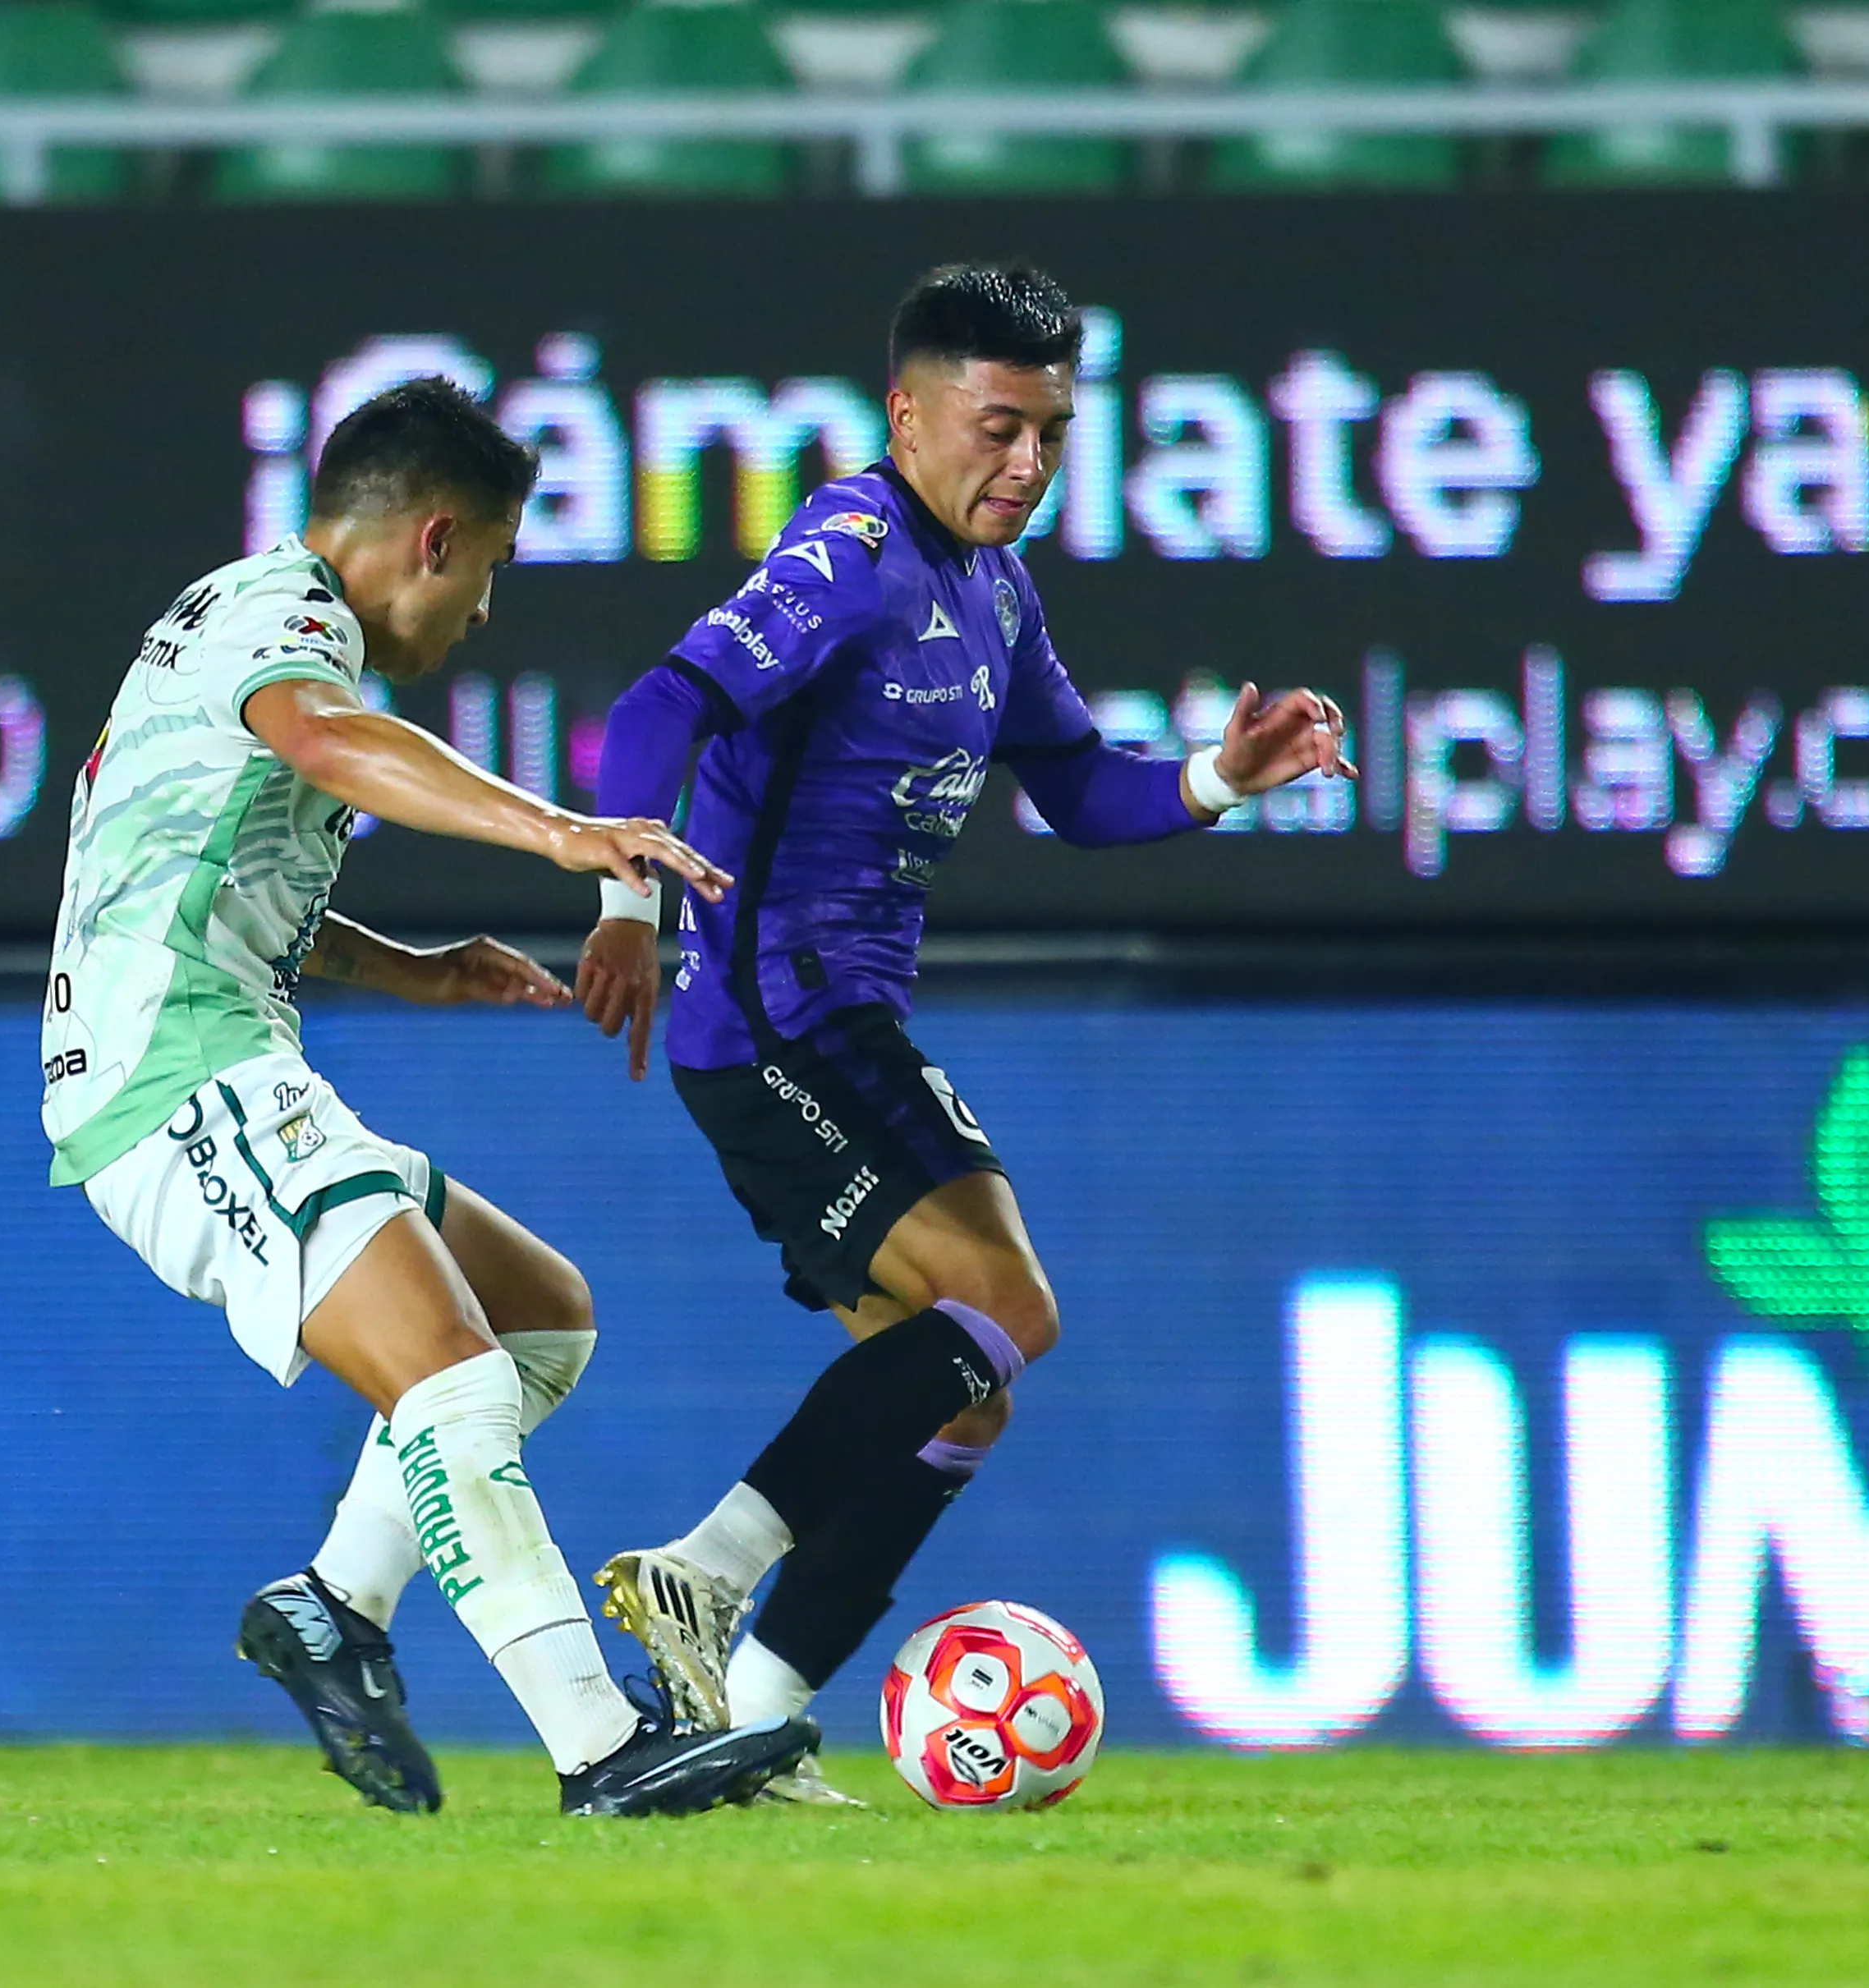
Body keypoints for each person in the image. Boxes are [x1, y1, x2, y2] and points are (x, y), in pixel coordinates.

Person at [571, 264, 1353, 1803]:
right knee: (1009, 1301)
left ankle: (749, 1716)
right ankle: (705, 1568)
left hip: (835, 1013)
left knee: (961, 1385)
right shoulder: (847, 555)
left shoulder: (994, 590)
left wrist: (1214, 776)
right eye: (998, 427)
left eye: (1053, 433)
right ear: (907, 413)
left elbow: (1078, 786)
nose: (1027, 464)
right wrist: (624, 904)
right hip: (777, 1009)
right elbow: (663, 705)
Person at [44, 377, 818, 1817]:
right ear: (437, 540)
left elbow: (190, 884)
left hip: (212, 1051)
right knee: (451, 1376)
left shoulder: (244, 622)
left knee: (537, 1320)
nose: (484, 617)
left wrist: (413, 970)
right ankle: (601, 1751)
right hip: (174, 1079)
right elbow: (330, 742)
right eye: (496, 572)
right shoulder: (288, 622)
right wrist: (558, 830)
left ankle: (335, 1605)